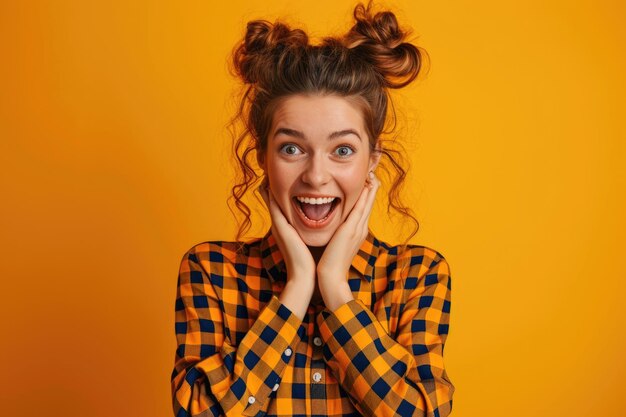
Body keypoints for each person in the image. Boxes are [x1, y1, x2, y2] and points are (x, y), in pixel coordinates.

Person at [171, 2, 455, 416]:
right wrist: (298, 287)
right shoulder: (211, 271)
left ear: (372, 160)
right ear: (263, 157)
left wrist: (335, 288)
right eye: (291, 148)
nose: (316, 176)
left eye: (342, 150)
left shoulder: (417, 275)